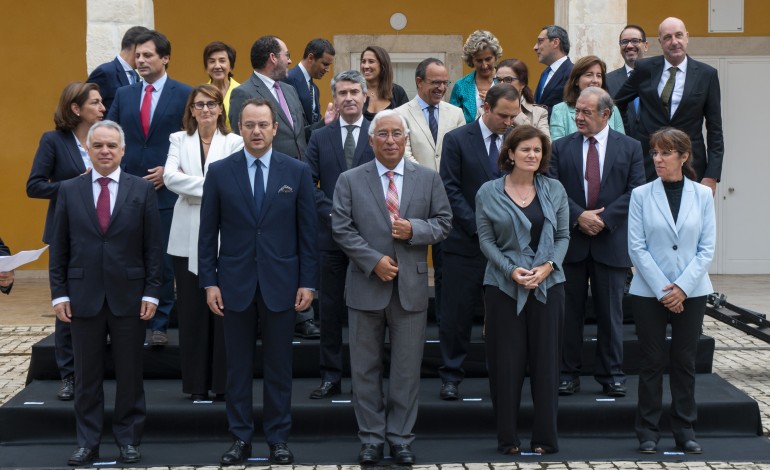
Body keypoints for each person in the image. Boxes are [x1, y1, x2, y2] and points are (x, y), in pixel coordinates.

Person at [198, 98, 318, 465]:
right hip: (233, 284)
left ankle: (278, 438)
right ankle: (240, 439)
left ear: (275, 128)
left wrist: (308, 282)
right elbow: (207, 234)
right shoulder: (219, 172)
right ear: (239, 127)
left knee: (280, 367)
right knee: (237, 368)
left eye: (263, 124)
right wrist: (209, 282)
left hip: (282, 284)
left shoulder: (296, 172)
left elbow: (307, 234)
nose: (256, 131)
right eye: (249, 124)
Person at [332, 109, 451, 466]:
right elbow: (341, 228)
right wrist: (373, 261)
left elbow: (444, 223)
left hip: (410, 288)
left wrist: (415, 229)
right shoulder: (350, 179)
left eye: (396, 134)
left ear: (406, 138)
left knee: (405, 370)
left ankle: (400, 438)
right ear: (370, 141)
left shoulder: (428, 179)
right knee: (364, 370)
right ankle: (371, 439)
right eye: (381, 134)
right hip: (366, 285)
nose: (389, 140)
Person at [49, 120, 162, 466]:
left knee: (130, 375)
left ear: (123, 150)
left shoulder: (141, 191)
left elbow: (153, 248)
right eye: (98, 145)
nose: (105, 151)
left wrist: (153, 293)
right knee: (86, 376)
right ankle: (88, 442)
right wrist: (59, 294)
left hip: (129, 296)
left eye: (112, 145)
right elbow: (60, 247)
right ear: (89, 149)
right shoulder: (69, 190)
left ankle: (128, 439)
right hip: (83, 297)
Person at [476, 125, 568, 455]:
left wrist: (545, 269)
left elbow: (563, 237)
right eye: (526, 149)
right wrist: (511, 270)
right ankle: (508, 439)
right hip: (502, 286)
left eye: (538, 151)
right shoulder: (488, 191)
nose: (532, 155)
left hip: (548, 286)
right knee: (506, 366)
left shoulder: (555, 189)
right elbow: (485, 240)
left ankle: (544, 440)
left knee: (546, 365)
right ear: (510, 153)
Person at [548, 87, 645, 398]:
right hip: (572, 243)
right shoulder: (561, 147)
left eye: (586, 112)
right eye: (577, 110)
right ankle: (567, 374)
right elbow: (551, 188)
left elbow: (636, 191)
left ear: (606, 114)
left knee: (611, 314)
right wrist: (579, 216)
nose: (578, 117)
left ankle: (612, 374)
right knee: (568, 315)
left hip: (611, 240)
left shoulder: (629, 147)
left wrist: (603, 219)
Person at [227, 34, 321, 338]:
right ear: (272, 58)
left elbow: (298, 134)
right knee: (269, 245)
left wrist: (325, 123)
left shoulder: (290, 90)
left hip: (299, 178)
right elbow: (241, 135)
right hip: (264, 182)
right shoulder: (244, 92)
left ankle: (302, 314)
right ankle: (262, 312)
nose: (290, 60)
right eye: (286, 54)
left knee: (300, 241)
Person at [629, 128, 715, 455]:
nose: (658, 159)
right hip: (648, 291)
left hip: (691, 292)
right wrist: (665, 290)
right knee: (651, 361)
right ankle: (647, 431)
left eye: (665, 153)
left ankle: (685, 429)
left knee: (684, 361)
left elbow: (706, 249)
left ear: (683, 156)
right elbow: (636, 248)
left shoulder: (703, 195)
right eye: (654, 153)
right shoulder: (641, 195)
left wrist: (682, 288)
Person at [107, 29, 192, 347]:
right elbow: (112, 133)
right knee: (127, 257)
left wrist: (171, 172)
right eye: (137, 55)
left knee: (162, 260)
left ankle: (160, 322)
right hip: (127, 192)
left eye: (147, 55)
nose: (140, 60)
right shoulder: (124, 95)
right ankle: (127, 320)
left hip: (166, 193)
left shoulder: (184, 93)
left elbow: (193, 140)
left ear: (165, 58)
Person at [439, 84, 521, 400]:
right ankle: (450, 375)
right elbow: (450, 189)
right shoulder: (457, 140)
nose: (508, 122)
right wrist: (479, 228)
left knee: (504, 316)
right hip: (464, 243)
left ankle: (504, 373)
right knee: (456, 313)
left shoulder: (517, 142)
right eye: (503, 115)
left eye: (513, 116)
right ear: (485, 107)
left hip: (508, 246)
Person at [26, 81, 106, 401]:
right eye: (96, 103)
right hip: (67, 232)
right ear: (76, 108)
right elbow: (34, 186)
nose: (103, 109)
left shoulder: (105, 139)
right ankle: (69, 375)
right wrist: (75, 184)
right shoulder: (54, 141)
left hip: (105, 233)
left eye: (102, 103)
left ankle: (99, 369)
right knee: (67, 304)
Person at [164, 84, 243, 401]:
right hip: (185, 236)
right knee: (192, 312)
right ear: (191, 110)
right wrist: (214, 185)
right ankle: (196, 384)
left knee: (224, 312)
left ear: (220, 109)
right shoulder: (177, 140)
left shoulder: (235, 142)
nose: (206, 109)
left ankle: (223, 383)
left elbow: (236, 182)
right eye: (199, 104)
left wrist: (192, 185)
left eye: (211, 104)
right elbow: (170, 178)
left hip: (226, 235)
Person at [304, 70, 375, 399]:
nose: (349, 98)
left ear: (365, 96)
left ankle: (367, 377)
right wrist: (335, 215)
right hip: (331, 237)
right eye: (343, 92)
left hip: (370, 239)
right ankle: (331, 375)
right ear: (335, 98)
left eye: (354, 92)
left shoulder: (379, 133)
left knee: (370, 310)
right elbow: (310, 184)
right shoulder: (320, 136)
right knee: (330, 310)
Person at [614, 17, 723, 192]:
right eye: (667, 37)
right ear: (660, 42)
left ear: (687, 37)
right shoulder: (644, 68)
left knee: (689, 218)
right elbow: (616, 103)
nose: (674, 42)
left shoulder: (706, 75)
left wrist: (712, 175)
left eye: (678, 35)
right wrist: (630, 137)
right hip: (649, 162)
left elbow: (715, 129)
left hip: (691, 164)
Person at [396, 57, 464, 326]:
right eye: (435, 82)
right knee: (412, 261)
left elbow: (459, 154)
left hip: (448, 200)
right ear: (419, 81)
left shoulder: (455, 114)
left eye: (445, 83)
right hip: (413, 197)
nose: (441, 88)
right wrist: (430, 183)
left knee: (446, 264)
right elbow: (405, 153)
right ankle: (411, 316)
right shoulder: (401, 113)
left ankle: (445, 319)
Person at [549, 55, 625, 141]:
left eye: (599, 76)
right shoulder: (560, 110)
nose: (595, 80)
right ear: (576, 81)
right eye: (589, 75)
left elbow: (621, 145)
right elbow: (558, 148)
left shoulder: (613, 110)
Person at [87, 26, 148, 112]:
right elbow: (87, 107)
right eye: (146, 51)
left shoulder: (135, 76)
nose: (145, 59)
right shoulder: (105, 72)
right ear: (136, 48)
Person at [450, 30, 503, 123]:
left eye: (488, 59)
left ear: (495, 56)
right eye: (479, 61)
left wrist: (495, 102)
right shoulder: (461, 86)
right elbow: (452, 121)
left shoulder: (505, 81)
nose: (484, 65)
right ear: (471, 60)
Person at [606, 25, 649, 138]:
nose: (629, 45)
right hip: (621, 146)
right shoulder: (607, 80)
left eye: (635, 41)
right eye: (624, 42)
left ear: (645, 45)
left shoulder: (658, 77)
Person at [283, 38, 335, 126]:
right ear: (310, 58)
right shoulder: (287, 80)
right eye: (325, 64)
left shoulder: (315, 89)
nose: (328, 70)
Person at [495, 58, 550, 137]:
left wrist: (517, 114)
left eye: (508, 80)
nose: (502, 84)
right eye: (498, 80)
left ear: (522, 83)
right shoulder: (485, 109)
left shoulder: (539, 113)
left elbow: (546, 145)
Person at [533, 25, 574, 118]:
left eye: (540, 41)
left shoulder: (573, 72)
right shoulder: (545, 73)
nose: (535, 47)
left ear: (555, 42)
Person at [360, 46, 409, 121]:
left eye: (371, 61)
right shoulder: (356, 91)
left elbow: (406, 123)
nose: (366, 66)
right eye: (363, 62)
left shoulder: (397, 92)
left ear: (382, 65)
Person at [203, 41, 239, 128]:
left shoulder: (241, 91)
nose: (217, 66)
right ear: (207, 68)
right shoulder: (201, 94)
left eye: (222, 61)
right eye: (212, 61)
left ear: (231, 66)